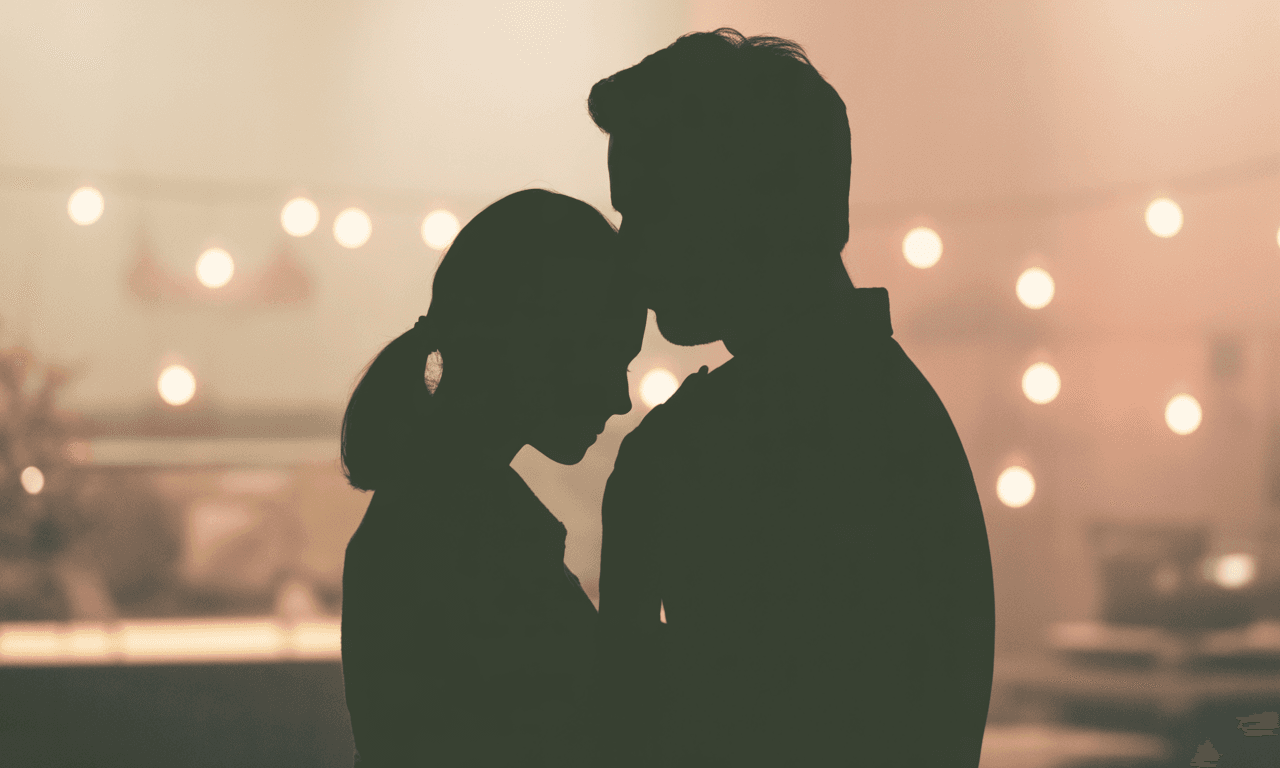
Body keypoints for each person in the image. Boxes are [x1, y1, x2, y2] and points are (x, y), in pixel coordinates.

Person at [589, 29, 996, 767]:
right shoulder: (887, 409)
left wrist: (630, 557)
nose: (630, 251)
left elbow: (670, 735)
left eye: (646, 211)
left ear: (737, 209)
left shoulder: (753, 440)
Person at [338, 189, 646, 767]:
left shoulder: (432, 510)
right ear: (539, 345)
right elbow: (604, 727)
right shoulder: (470, 537)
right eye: (610, 360)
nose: (623, 398)